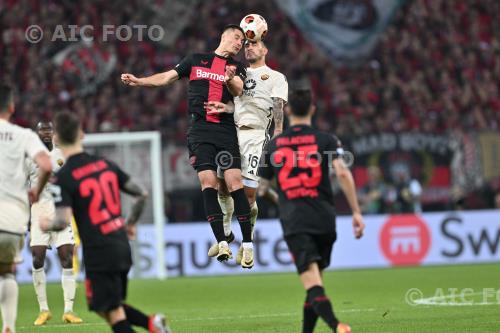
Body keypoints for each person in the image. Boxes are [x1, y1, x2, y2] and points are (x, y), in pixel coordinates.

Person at [121, 25, 254, 268]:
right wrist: (139, 81)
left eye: (243, 42)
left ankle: (247, 245)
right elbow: (166, 78)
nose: (239, 43)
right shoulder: (195, 60)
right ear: (224, 36)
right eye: (237, 37)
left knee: (235, 183)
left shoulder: (238, 67)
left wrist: (230, 78)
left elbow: (240, 92)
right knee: (208, 183)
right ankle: (222, 241)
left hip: (226, 130)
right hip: (200, 130)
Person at [40, 112, 170, 333]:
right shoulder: (105, 164)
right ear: (82, 134)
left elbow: (61, 222)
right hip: (121, 244)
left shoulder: (65, 177)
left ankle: (152, 323)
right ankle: (152, 323)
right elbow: (141, 193)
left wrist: (46, 224)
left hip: (99, 251)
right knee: (108, 306)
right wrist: (130, 223)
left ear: (56, 139)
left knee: (110, 310)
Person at [258, 82, 365, 333]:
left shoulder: (273, 146)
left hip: (296, 219)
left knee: (311, 283)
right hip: (325, 218)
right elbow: (342, 174)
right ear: (313, 110)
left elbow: (261, 189)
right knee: (315, 282)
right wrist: (357, 212)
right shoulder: (326, 139)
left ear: (287, 111)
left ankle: (337, 325)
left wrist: (276, 199)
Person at [205, 39, 287, 265]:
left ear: (265, 50)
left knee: (247, 194)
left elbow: (278, 105)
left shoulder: (276, 77)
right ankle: (226, 233)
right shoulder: (238, 72)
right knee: (222, 185)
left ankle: (246, 243)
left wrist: (278, 133)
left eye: (254, 44)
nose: (249, 48)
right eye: (247, 45)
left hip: (257, 136)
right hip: (232, 133)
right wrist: (226, 108)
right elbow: (237, 104)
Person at [0, 84, 52, 333]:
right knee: (7, 272)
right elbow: (47, 164)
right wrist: (36, 191)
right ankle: (8, 327)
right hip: (12, 218)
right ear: (11, 107)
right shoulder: (25, 135)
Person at [26, 121, 82, 326]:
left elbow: (72, 182)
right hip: (38, 211)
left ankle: (69, 310)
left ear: (54, 133)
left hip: (60, 210)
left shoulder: (62, 155)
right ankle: (43, 310)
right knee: (37, 258)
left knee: (67, 257)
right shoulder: (30, 157)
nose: (46, 133)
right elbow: (24, 186)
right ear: (37, 133)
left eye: (49, 130)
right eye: (42, 130)